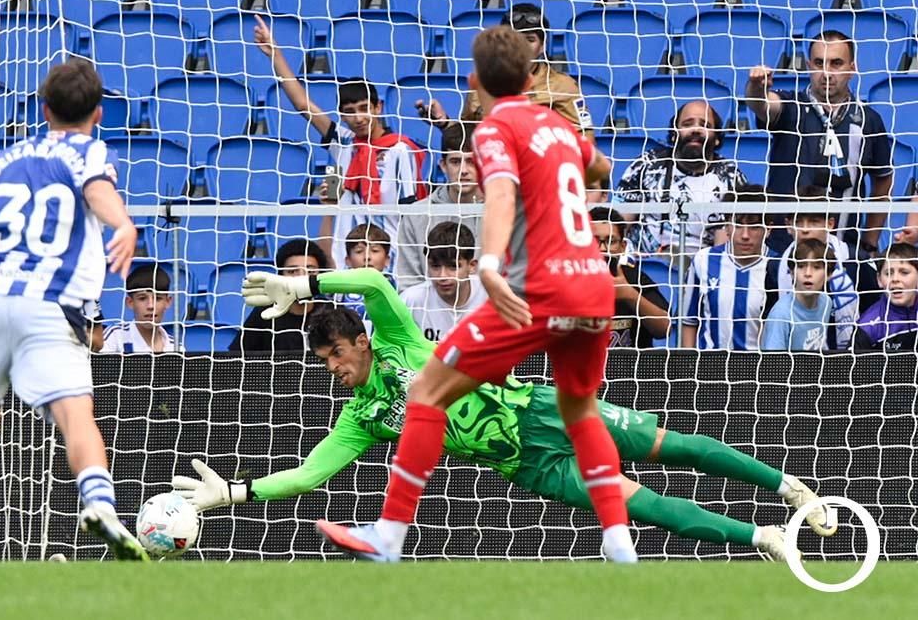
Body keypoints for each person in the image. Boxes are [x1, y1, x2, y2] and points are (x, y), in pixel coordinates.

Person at [184, 267, 835, 561]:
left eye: (334, 354)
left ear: (358, 341)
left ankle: (788, 487)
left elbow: (379, 285)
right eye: (324, 361)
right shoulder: (363, 416)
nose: (333, 368)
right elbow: (308, 474)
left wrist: (305, 286)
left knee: (673, 445)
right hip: (527, 464)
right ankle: (764, 537)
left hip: (543, 411)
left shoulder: (403, 344)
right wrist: (234, 491)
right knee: (639, 503)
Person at [288, 26, 638, 562]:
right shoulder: (557, 123)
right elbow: (601, 167)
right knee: (580, 409)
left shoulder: (495, 128)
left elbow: (498, 196)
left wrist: (492, 263)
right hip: (594, 285)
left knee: (426, 390)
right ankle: (620, 544)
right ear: (531, 77)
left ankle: (389, 536)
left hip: (541, 288)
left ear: (474, 82)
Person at [0, 59, 147, 561]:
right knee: (75, 413)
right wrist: (123, 225)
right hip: (50, 304)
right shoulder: (89, 150)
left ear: (44, 110)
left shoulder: (6, 157)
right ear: (99, 113)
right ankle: (101, 508)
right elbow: (97, 190)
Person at [252, 15, 427, 257]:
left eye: (365, 108)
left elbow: (411, 208)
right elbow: (303, 104)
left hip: (391, 257)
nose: (359, 118)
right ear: (342, 116)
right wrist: (275, 54)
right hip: (347, 256)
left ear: (378, 107)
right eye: (350, 112)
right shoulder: (344, 142)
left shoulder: (400, 149)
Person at [747, 31, 893, 255]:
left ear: (852, 68)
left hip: (843, 248)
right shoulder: (791, 106)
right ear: (808, 65)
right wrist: (756, 86)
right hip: (782, 248)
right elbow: (762, 104)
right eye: (819, 63)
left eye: (836, 63)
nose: (826, 73)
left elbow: (883, 181)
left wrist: (870, 241)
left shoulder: (868, 120)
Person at [419, 3, 594, 143]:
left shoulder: (562, 87)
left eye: (530, 40)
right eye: (514, 39)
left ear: (542, 47)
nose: (521, 47)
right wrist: (445, 123)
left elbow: (586, 144)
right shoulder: (482, 86)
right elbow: (469, 139)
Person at [612, 100, 746, 263]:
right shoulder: (647, 165)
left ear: (717, 138)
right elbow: (616, 224)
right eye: (687, 124)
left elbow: (724, 250)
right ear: (675, 134)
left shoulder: (730, 176)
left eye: (705, 125)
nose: (696, 129)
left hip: (701, 273)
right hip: (644, 268)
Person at [680, 186, 781, 350]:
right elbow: (689, 321)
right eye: (738, 225)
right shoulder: (703, 260)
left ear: (768, 229)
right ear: (727, 226)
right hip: (711, 368)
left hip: (760, 369)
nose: (745, 235)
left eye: (754, 226)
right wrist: (689, 369)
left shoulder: (779, 266)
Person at [394, 122, 481, 292]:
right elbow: (408, 284)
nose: (463, 170)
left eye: (471, 161)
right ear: (443, 166)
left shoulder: (506, 211)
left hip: (493, 313)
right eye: (455, 162)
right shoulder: (416, 214)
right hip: (428, 313)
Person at [774, 187, 860, 349]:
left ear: (830, 224)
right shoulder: (776, 266)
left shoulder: (855, 261)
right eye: (799, 221)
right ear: (788, 225)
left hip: (845, 361)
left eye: (814, 221)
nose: (805, 229)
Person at [229, 238, 330, 354]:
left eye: (311, 272)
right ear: (280, 276)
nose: (302, 277)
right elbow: (235, 358)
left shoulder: (332, 312)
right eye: (292, 272)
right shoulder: (266, 313)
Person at [589, 207, 670, 348]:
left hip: (630, 367)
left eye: (610, 241)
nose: (602, 248)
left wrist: (630, 295)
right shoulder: (564, 280)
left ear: (623, 246)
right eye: (595, 241)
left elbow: (664, 329)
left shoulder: (634, 278)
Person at [399, 221, 487, 343]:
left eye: (453, 266)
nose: (442, 276)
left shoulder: (491, 297)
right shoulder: (410, 301)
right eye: (435, 266)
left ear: (472, 266)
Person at [762, 239, 835, 351]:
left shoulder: (826, 302)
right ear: (791, 272)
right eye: (801, 266)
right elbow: (773, 366)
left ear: (829, 274)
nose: (808, 274)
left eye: (816, 267)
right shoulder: (781, 315)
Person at [100, 263, 178, 354]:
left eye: (158, 298)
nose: (150, 306)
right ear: (130, 302)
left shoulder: (175, 347)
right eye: (142, 298)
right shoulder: (115, 337)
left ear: (168, 302)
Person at [854, 243, 918, 351]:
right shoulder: (868, 325)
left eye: (904, 272)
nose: (895, 279)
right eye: (888, 273)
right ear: (879, 280)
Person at [333, 222, 392, 330]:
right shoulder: (338, 293)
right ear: (348, 260)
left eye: (374, 251)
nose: (367, 257)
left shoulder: (397, 290)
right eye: (359, 251)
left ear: (387, 260)